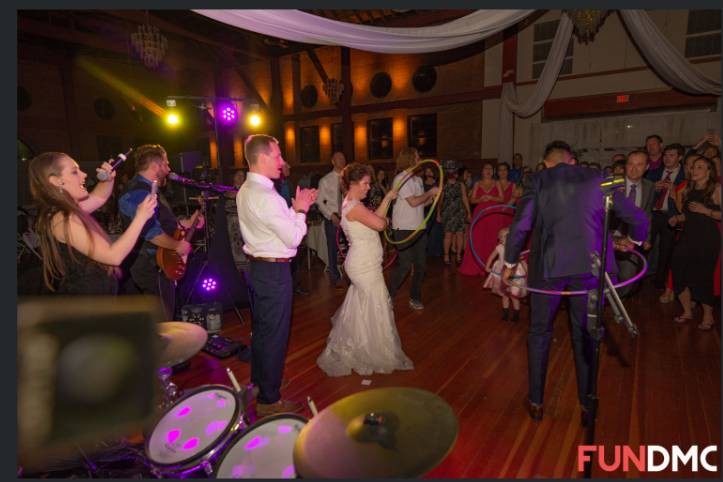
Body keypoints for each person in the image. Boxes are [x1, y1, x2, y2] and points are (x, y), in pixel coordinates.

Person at [502, 140, 648, 423]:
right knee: (586, 334)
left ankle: (536, 402)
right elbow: (637, 216)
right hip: (590, 269)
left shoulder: (539, 179)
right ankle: (586, 406)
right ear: (572, 161)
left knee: (540, 332)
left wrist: (509, 263)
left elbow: (521, 225)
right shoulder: (601, 178)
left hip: (548, 268)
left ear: (547, 163)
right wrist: (635, 240)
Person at [236, 134, 318, 417]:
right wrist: (301, 210)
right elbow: (294, 238)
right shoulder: (266, 197)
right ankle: (269, 400)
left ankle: (260, 383)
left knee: (261, 332)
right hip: (273, 271)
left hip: (258, 268)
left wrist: (294, 209)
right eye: (278, 156)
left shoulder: (246, 189)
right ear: (262, 158)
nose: (283, 162)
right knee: (274, 336)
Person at [317, 163, 413, 376]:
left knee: (364, 306)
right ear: (352, 184)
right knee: (376, 304)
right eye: (365, 183)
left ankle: (359, 344)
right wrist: (387, 220)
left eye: (369, 183)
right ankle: (375, 350)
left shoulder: (353, 204)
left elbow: (374, 219)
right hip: (364, 265)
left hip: (363, 263)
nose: (369, 187)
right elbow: (379, 224)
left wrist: (387, 199)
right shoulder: (355, 207)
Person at [28, 152, 157, 295]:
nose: (84, 175)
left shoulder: (65, 210)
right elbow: (113, 256)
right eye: (74, 172)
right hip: (86, 305)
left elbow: (98, 198)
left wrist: (108, 179)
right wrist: (140, 217)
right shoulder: (62, 220)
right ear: (56, 181)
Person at [118, 145, 199, 319]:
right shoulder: (138, 192)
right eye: (166, 164)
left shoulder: (149, 189)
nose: (169, 169)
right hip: (150, 265)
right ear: (156, 166)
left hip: (158, 262)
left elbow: (159, 223)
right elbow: (151, 233)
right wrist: (178, 246)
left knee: (166, 318)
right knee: (163, 322)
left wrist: (185, 224)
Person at [669, 156, 721, 331]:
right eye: (693, 167)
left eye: (699, 167)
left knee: (703, 277)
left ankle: (708, 316)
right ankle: (687, 311)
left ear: (708, 171)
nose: (694, 170)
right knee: (678, 270)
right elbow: (688, 215)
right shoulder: (688, 190)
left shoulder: (716, 188)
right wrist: (678, 218)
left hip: (707, 239)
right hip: (688, 237)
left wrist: (706, 210)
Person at [388, 147, 439, 311]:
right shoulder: (401, 179)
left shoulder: (417, 180)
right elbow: (413, 202)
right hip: (403, 228)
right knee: (404, 265)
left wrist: (433, 198)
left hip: (418, 228)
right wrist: (430, 191)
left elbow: (421, 204)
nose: (420, 159)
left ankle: (415, 297)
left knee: (421, 265)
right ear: (410, 159)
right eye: (417, 157)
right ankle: (388, 294)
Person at [613, 150, 655, 298]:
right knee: (603, 276)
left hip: (632, 239)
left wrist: (647, 237)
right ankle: (605, 303)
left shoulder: (650, 186)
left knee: (628, 275)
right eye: (630, 164)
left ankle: (617, 301)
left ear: (647, 167)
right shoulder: (613, 183)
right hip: (610, 237)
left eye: (639, 164)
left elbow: (647, 214)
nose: (634, 168)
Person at [646, 143, 686, 289]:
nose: (667, 158)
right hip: (652, 215)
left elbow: (686, 201)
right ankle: (638, 277)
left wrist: (675, 190)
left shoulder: (685, 176)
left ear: (680, 157)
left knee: (666, 250)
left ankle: (659, 281)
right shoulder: (654, 172)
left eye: (672, 155)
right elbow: (643, 190)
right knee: (644, 246)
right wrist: (652, 187)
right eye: (665, 155)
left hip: (671, 217)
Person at [458, 162, 507, 277]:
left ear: (493, 171)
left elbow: (502, 199)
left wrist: (491, 197)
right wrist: (480, 199)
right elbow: (472, 200)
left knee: (492, 238)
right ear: (482, 171)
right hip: (480, 215)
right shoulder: (477, 183)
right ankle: (477, 266)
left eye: (490, 168)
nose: (488, 170)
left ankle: (491, 266)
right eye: (486, 168)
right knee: (478, 239)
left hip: (494, 215)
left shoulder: (497, 183)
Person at [315, 151, 347, 289]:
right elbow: (319, 202)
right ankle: (335, 277)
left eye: (343, 157)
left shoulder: (349, 178)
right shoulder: (325, 180)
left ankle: (351, 274)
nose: (341, 160)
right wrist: (331, 215)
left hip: (349, 216)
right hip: (333, 217)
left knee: (351, 248)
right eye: (338, 158)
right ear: (332, 161)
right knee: (332, 249)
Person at [484, 227, 526, 321]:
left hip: (513, 275)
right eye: (502, 238)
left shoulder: (516, 249)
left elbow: (522, 262)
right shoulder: (499, 248)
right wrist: (487, 266)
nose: (503, 240)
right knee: (505, 295)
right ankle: (505, 312)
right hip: (501, 274)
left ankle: (516, 314)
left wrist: (527, 272)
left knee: (514, 296)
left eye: (506, 238)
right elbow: (491, 257)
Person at [437, 163, 471, 265]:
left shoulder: (460, 185)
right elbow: (440, 201)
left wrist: (468, 212)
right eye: (450, 170)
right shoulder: (443, 186)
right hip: (448, 213)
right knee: (448, 235)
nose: (452, 172)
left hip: (460, 212)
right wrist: (438, 214)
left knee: (460, 234)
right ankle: (446, 256)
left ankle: (459, 255)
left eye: (453, 170)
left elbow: (465, 198)